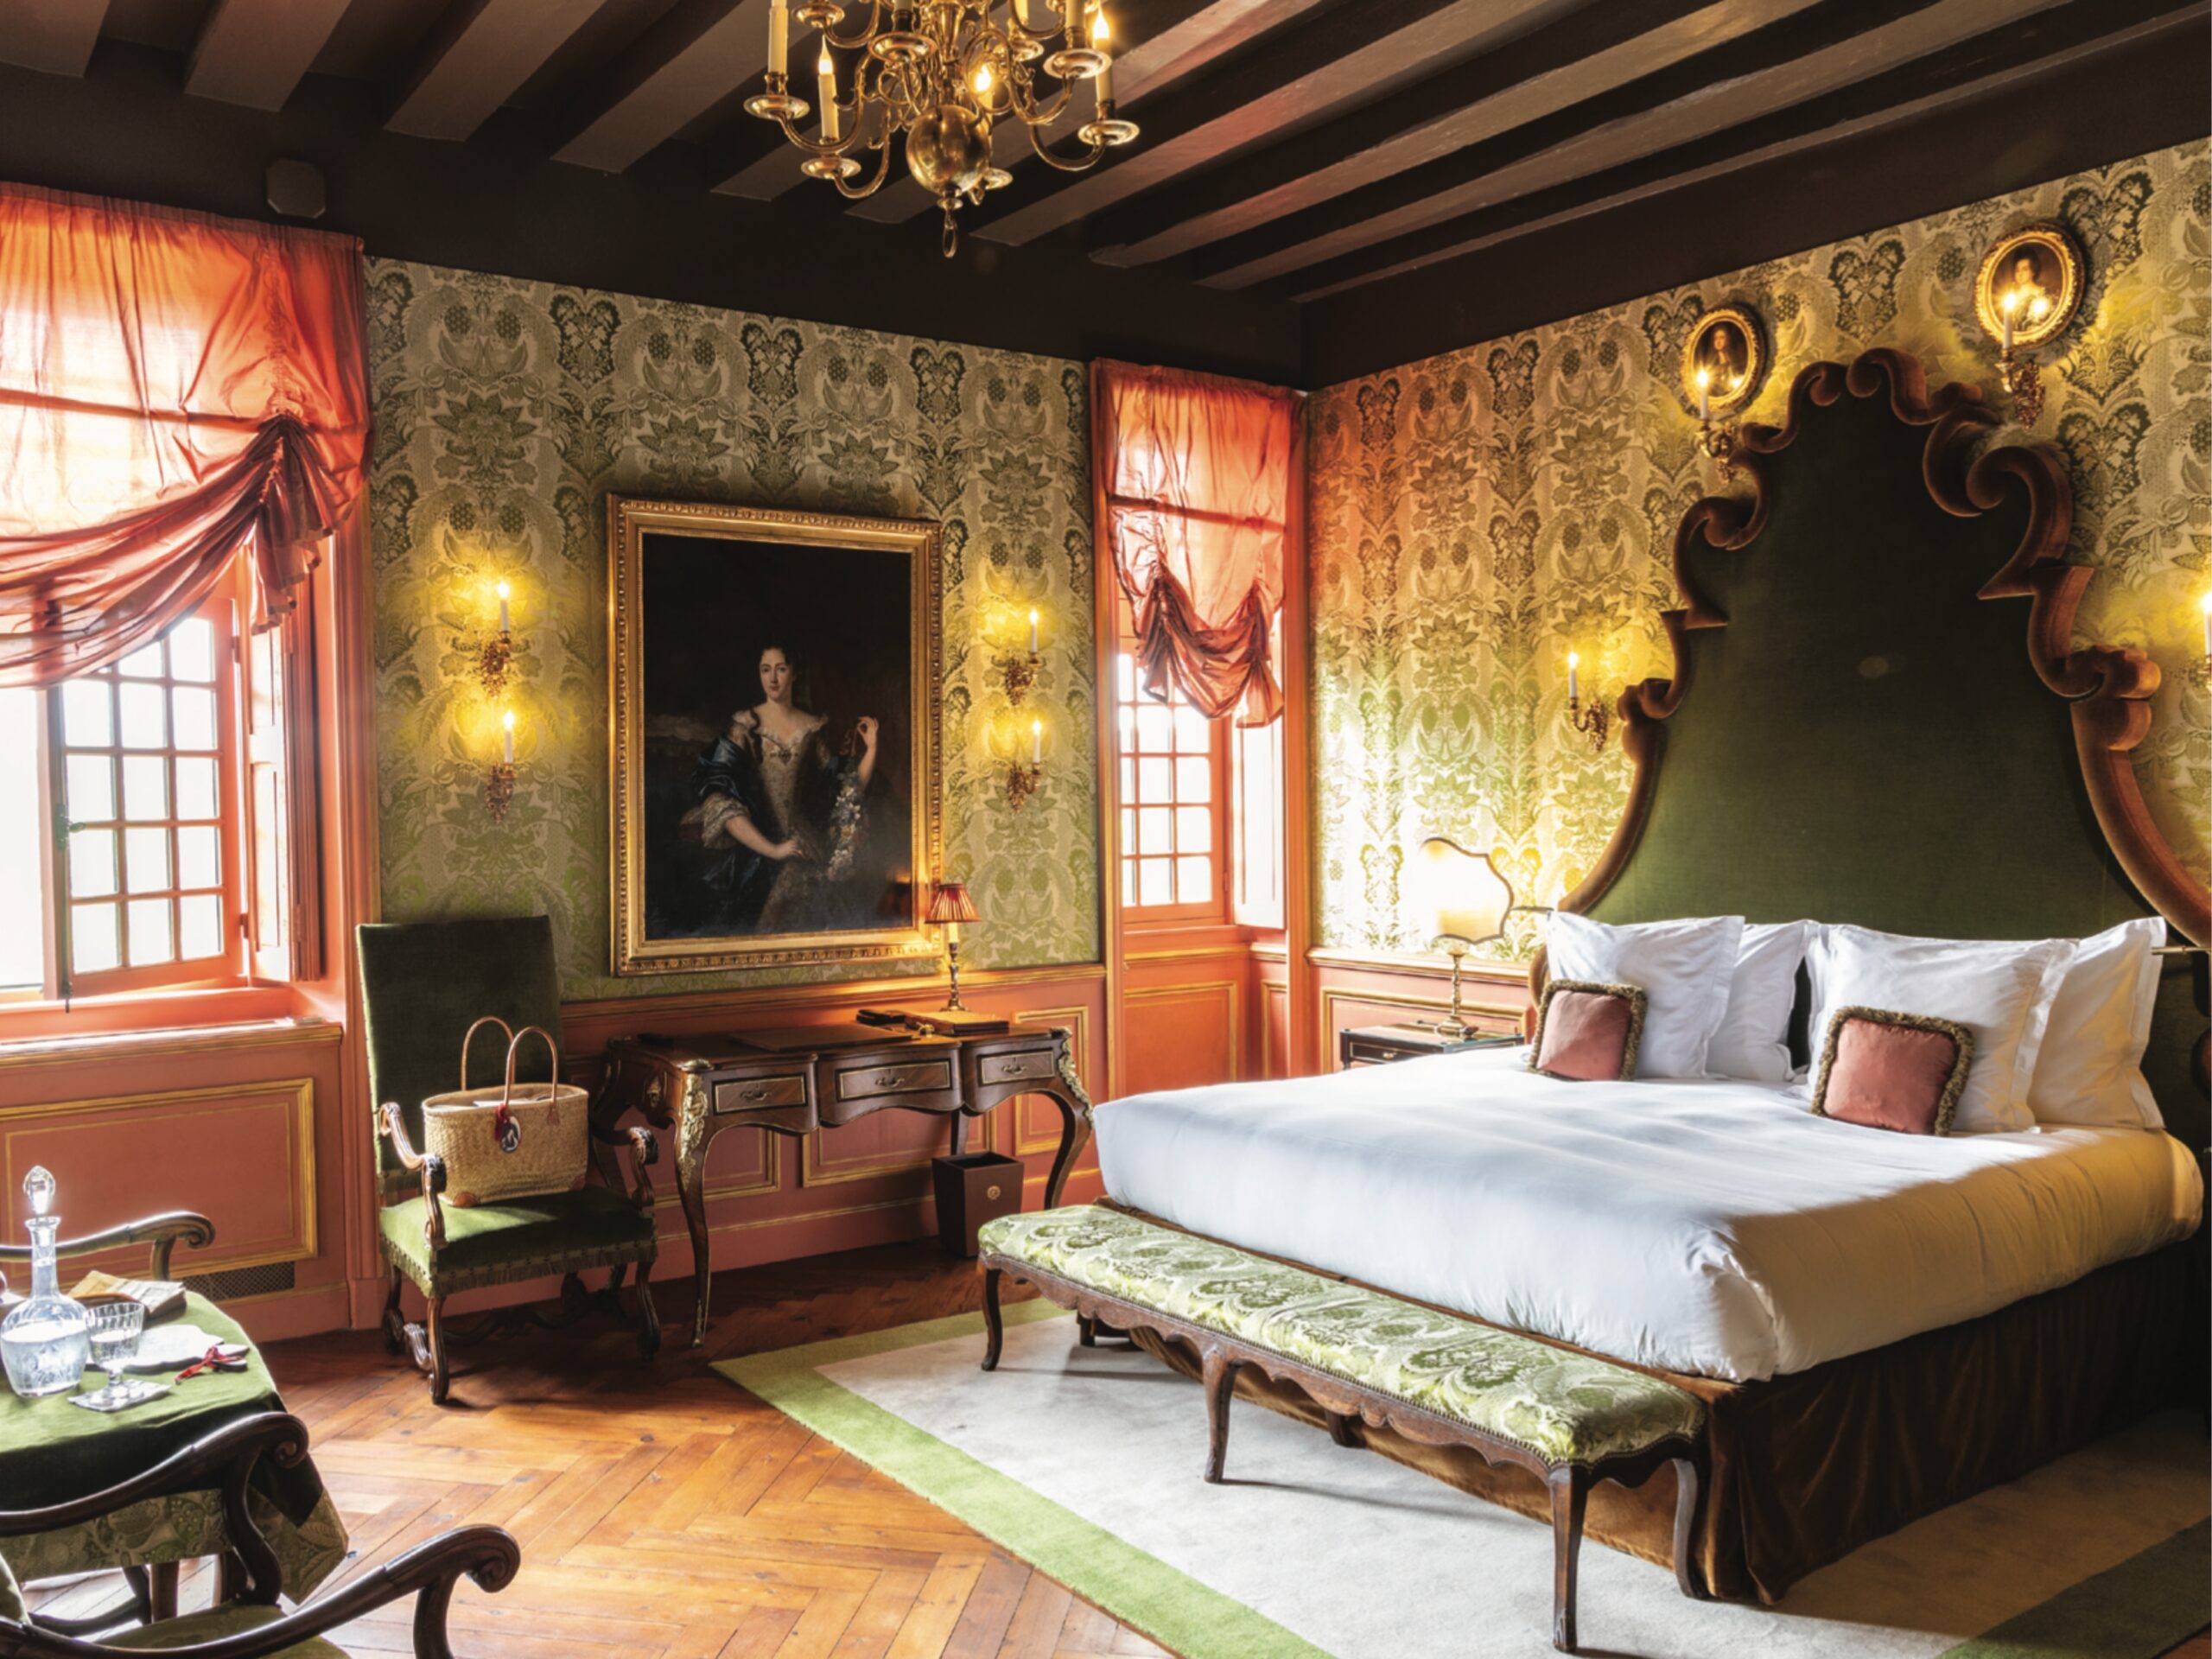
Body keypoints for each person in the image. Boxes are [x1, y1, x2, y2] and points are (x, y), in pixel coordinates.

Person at [681, 644, 879, 934]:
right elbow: (720, 794)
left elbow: (846, 790)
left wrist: (872, 749)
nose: (772, 678)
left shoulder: (812, 727)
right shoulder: (745, 726)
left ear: (794, 674)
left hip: (806, 846)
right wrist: (772, 849)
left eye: (781, 669)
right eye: (765, 670)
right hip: (758, 849)